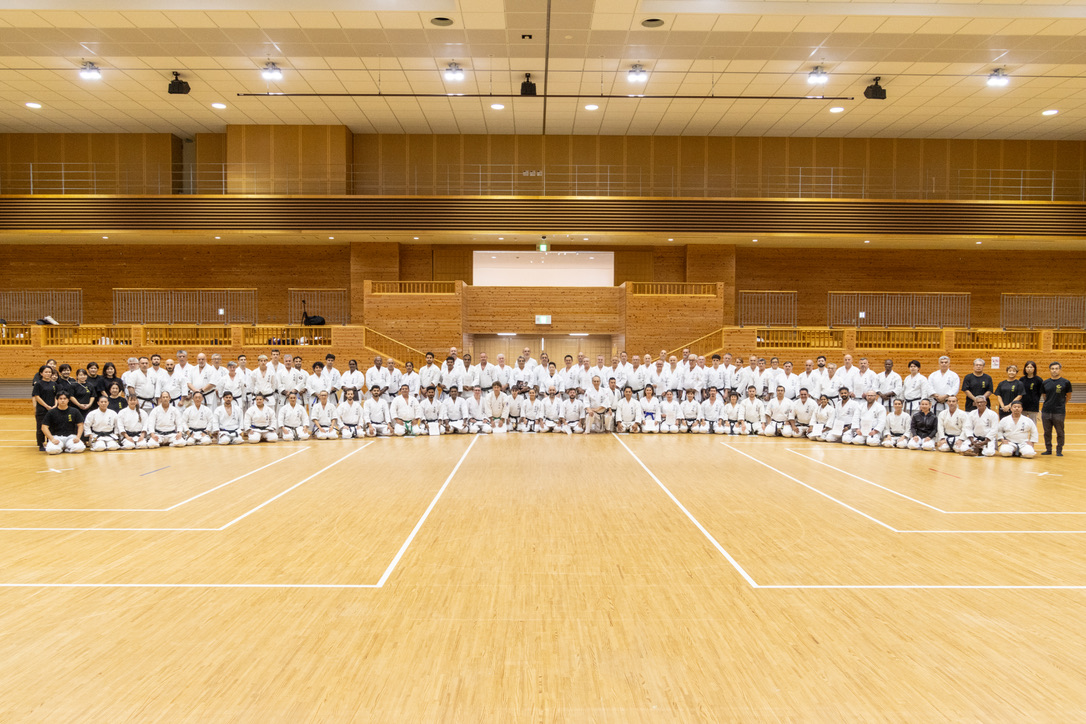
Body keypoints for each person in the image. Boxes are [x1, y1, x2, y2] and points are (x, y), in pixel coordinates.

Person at [1040, 361, 1072, 456]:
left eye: (1056, 369)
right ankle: (1048, 449)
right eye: (1052, 369)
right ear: (1050, 370)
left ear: (1060, 370)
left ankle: (1059, 450)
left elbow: (1068, 396)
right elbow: (1044, 396)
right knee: (1047, 432)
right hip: (1046, 411)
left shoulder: (1065, 382)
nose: (1054, 370)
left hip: (1059, 412)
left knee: (1060, 432)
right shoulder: (1045, 382)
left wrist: (1061, 404)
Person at [32, 364, 58, 451]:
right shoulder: (38, 384)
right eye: (46, 372)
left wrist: (55, 405)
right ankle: (41, 444)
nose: (48, 374)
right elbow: (37, 396)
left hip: (52, 409)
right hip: (42, 409)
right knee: (41, 427)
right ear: (41, 373)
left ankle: (50, 441)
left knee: (52, 427)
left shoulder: (54, 384)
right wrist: (46, 406)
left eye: (50, 372)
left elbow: (56, 396)